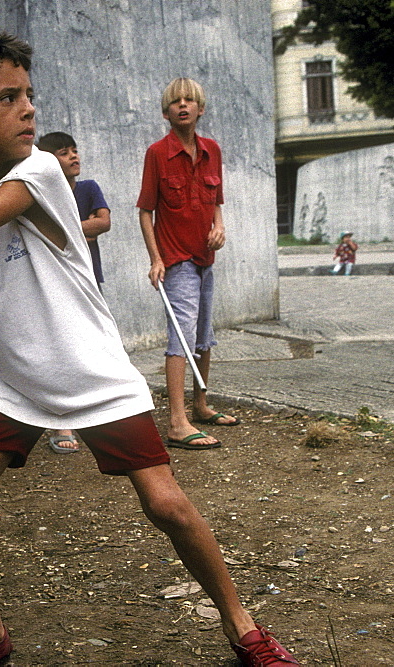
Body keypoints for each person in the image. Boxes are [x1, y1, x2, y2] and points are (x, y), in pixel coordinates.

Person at [0, 28, 298, 667]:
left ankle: (245, 629)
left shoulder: (38, 171)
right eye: (8, 99)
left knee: (168, 505)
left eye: (28, 95)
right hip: (20, 384)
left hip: (94, 375)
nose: (30, 109)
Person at [136, 77, 241, 453]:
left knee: (203, 334)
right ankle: (177, 423)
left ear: (200, 108)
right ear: (166, 112)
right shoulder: (157, 153)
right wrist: (155, 259)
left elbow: (216, 202)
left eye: (190, 100)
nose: (183, 105)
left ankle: (200, 406)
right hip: (176, 260)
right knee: (180, 336)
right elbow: (145, 211)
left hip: (204, 258)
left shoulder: (212, 150)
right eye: (175, 101)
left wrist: (220, 227)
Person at [36, 131, 112, 454]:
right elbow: (44, 233)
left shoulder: (89, 188)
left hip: (90, 280)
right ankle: (62, 420)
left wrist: (67, 231)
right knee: (61, 348)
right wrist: (84, 228)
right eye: (64, 153)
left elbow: (104, 223)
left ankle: (97, 415)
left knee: (96, 345)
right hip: (57, 284)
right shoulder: (43, 194)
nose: (73, 156)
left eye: (75, 151)